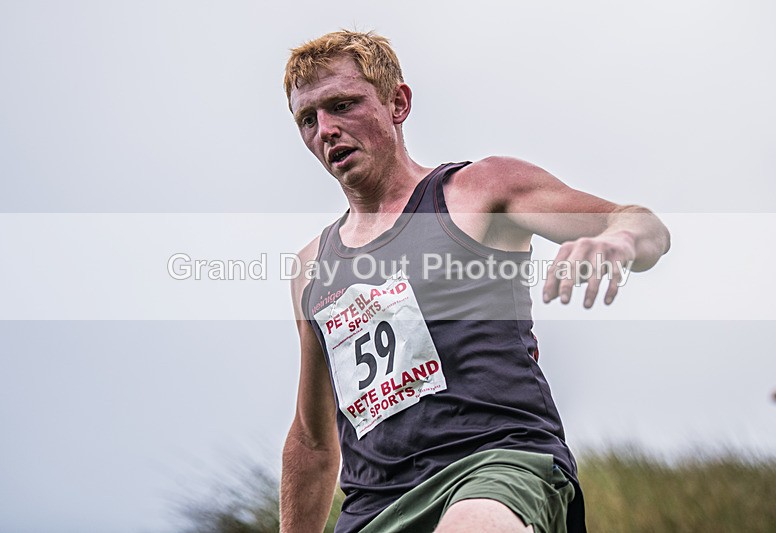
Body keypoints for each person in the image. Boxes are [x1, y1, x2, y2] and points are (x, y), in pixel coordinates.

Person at [279, 30, 670, 533]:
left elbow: (643, 224)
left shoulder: (476, 191)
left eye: (343, 105)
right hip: (375, 509)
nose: (326, 129)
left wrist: (617, 240)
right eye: (308, 119)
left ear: (397, 103)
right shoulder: (313, 267)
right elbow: (312, 441)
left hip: (496, 469)